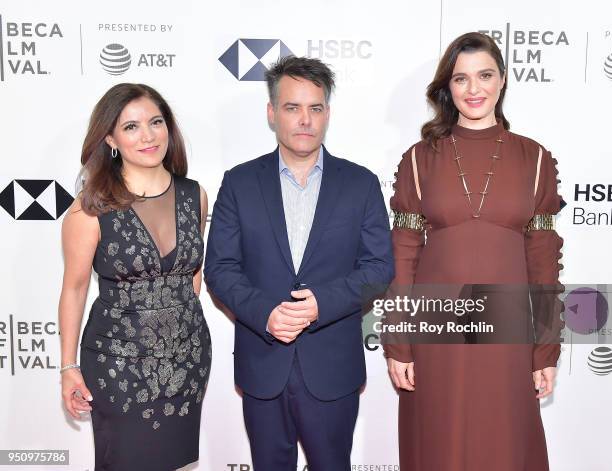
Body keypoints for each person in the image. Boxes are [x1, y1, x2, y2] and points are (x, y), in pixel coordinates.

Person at [383, 32, 564, 471]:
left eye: (484, 75)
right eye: (461, 79)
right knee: (438, 442)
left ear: (502, 80)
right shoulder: (419, 160)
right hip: (433, 333)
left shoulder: (535, 159)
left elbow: (543, 260)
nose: (474, 89)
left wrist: (546, 348)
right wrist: (397, 341)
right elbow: (403, 256)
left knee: (502, 444)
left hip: (508, 335)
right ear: (447, 88)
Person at [204, 56, 394, 470]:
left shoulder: (360, 184)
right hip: (263, 364)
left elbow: (380, 267)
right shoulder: (239, 182)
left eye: (316, 107)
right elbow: (220, 268)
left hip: (332, 368)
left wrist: (321, 304)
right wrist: (265, 314)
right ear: (272, 113)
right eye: (292, 107)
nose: (305, 120)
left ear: (327, 113)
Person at [58, 83, 211, 470]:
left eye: (156, 122)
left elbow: (191, 277)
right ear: (110, 138)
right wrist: (67, 367)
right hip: (118, 365)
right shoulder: (89, 208)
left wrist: (181, 329)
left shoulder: (195, 195)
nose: (148, 135)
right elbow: (74, 290)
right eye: (131, 127)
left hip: (186, 362)